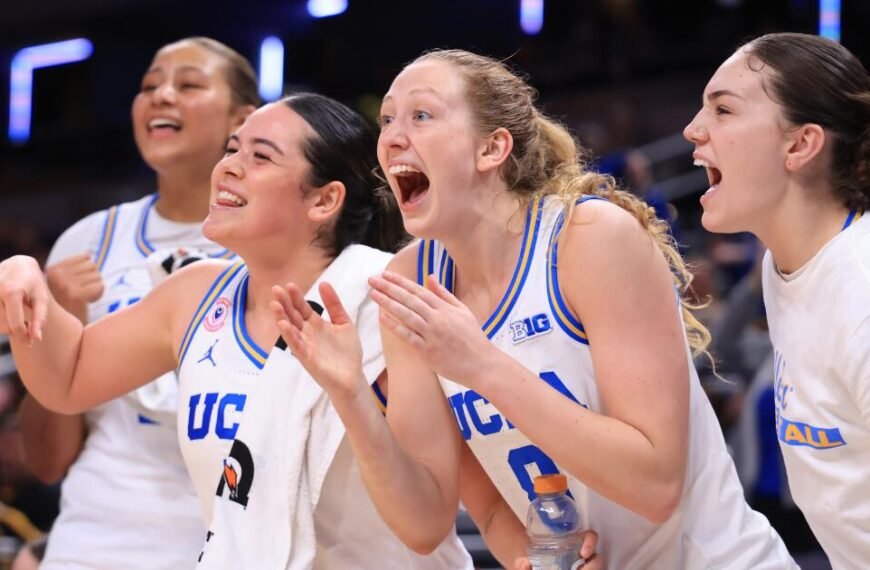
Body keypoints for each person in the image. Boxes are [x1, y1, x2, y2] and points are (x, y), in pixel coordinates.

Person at [271, 48, 797, 569]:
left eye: (421, 115)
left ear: (491, 148)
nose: (391, 137)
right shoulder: (411, 280)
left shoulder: (587, 237)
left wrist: (482, 366)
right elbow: (430, 521)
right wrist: (351, 394)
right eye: (387, 119)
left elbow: (655, 485)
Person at [0, 93, 495, 568]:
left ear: (324, 200)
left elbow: (425, 526)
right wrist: (22, 279)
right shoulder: (193, 293)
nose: (228, 167)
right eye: (232, 149)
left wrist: (351, 395)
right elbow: (66, 377)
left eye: (260, 156)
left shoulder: (390, 301)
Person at [15, 36, 259, 570]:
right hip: (91, 543)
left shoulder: (277, 245)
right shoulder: (87, 243)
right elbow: (48, 462)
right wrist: (61, 330)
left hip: (228, 546)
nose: (161, 96)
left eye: (189, 84)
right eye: (149, 86)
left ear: (244, 120)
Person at [683, 32, 870, 568]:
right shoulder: (783, 267)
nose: (693, 129)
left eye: (722, 109)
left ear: (800, 144)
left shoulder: (861, 292)